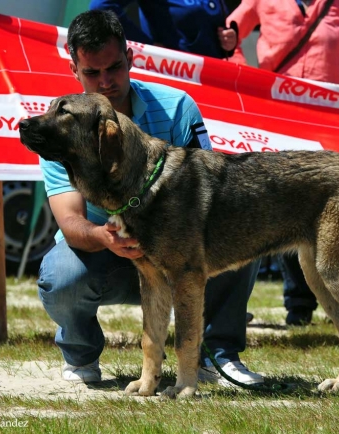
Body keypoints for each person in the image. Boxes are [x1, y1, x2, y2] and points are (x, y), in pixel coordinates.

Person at [38, 9, 263, 387]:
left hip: (178, 249)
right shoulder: (62, 129)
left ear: (131, 57)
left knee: (240, 230)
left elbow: (215, 191)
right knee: (62, 276)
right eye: (93, 73)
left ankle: (219, 356)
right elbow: (70, 221)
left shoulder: (176, 107)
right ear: (73, 69)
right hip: (105, 254)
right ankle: (80, 357)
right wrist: (104, 237)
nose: (106, 82)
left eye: (115, 67)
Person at [220, 0, 339, 326]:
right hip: (276, 117)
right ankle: (298, 306)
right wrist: (242, 72)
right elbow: (227, 34)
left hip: (331, 119)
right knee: (286, 211)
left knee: (329, 211)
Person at [89, 0, 237, 59]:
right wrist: (147, 45)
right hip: (173, 83)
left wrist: (229, 40)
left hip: (213, 82)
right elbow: (101, 7)